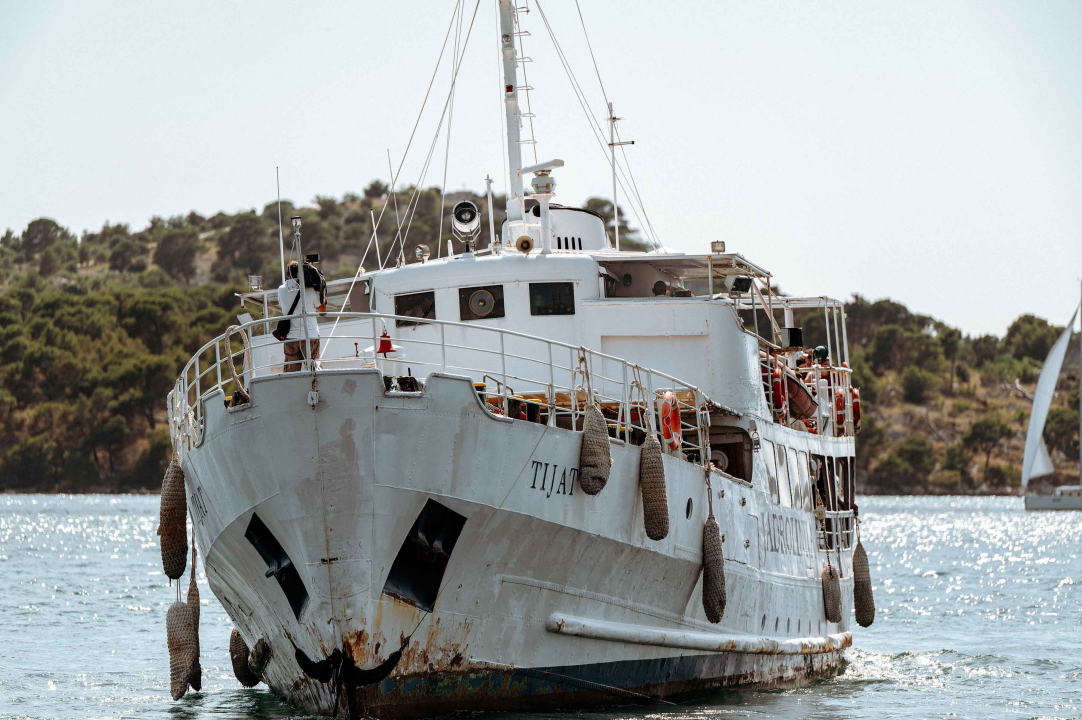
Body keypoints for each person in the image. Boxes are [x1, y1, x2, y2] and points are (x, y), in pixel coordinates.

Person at [277, 260, 323, 372]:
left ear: (288, 275)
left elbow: (282, 305)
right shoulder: (311, 290)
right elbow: (322, 310)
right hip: (310, 336)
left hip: (291, 337)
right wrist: (321, 290)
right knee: (314, 370)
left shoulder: (281, 290)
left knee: (291, 374)